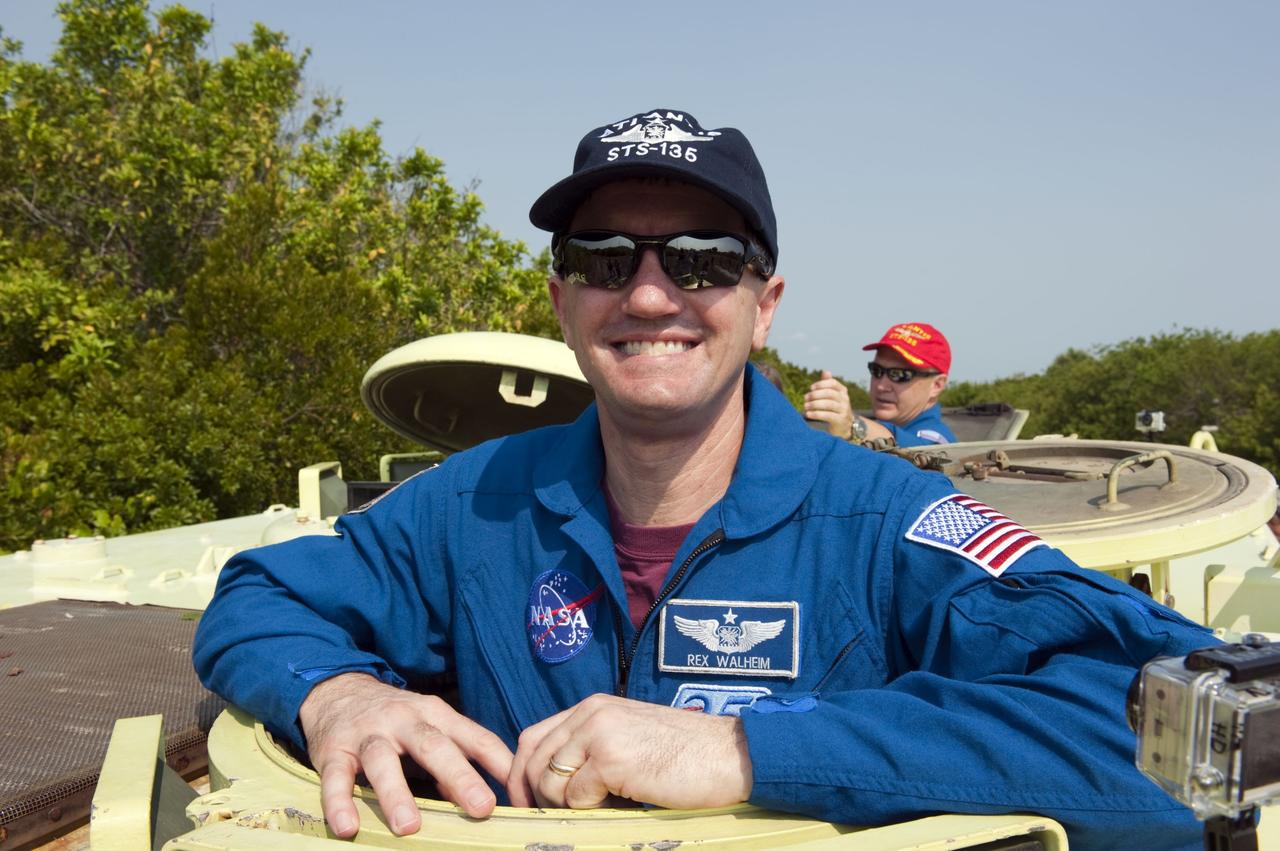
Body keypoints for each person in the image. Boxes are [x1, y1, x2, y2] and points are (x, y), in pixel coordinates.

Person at [193, 108, 1211, 850]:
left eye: (699, 260)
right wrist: (332, 692)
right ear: (561, 298)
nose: (646, 292)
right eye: (601, 259)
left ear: (761, 302)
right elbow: (260, 592)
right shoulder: (471, 502)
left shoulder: (888, 520)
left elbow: (1176, 712)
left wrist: (743, 748)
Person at [804, 323, 957, 446]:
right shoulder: (879, 424)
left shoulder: (938, 441)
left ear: (936, 385)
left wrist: (853, 427)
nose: (882, 385)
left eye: (899, 375)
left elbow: (922, 454)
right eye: (877, 371)